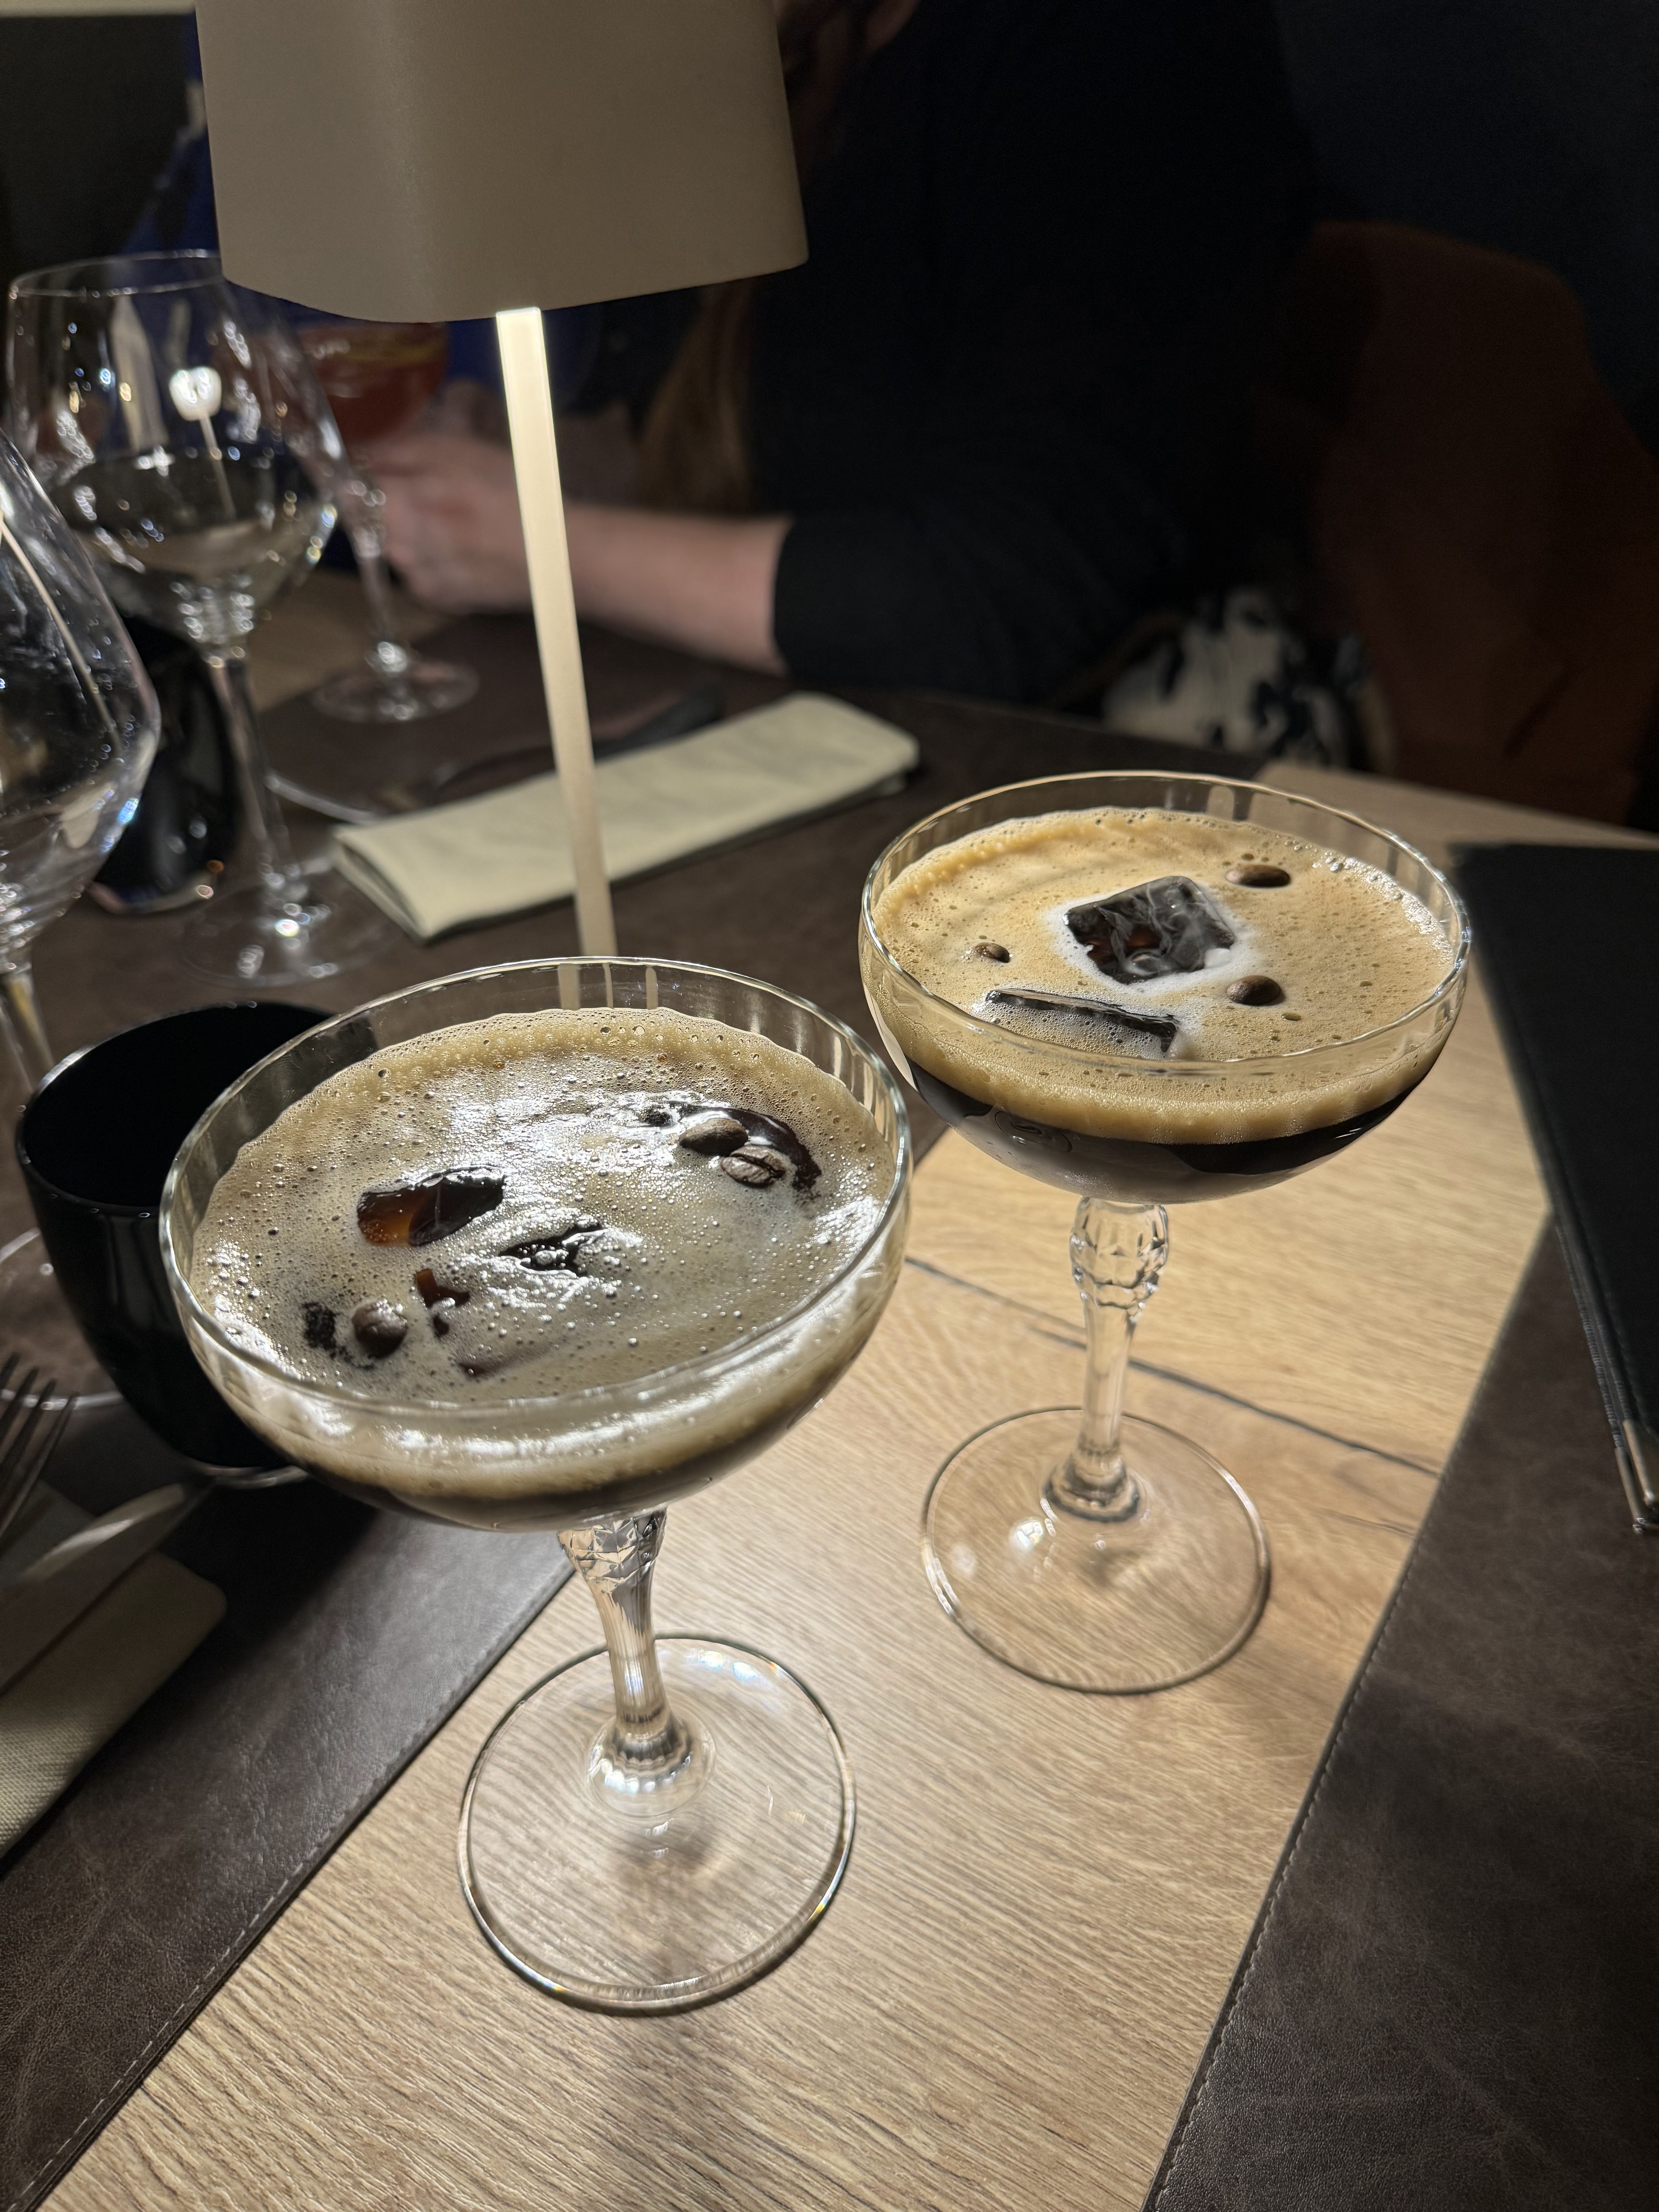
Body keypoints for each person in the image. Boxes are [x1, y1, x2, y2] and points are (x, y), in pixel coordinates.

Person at [373, 0, 1312, 704]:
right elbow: (798, 447)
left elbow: (999, 604)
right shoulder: (780, 53)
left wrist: (548, 546)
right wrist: (562, 467)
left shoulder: (1121, 41)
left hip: (1083, 767)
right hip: (793, 722)